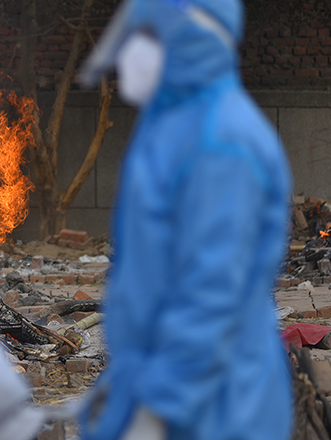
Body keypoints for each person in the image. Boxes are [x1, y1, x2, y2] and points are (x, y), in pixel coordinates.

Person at [76, 0, 293, 439]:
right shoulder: (176, 125)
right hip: (171, 387)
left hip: (214, 408)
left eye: (148, 36)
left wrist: (158, 408)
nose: (130, 55)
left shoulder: (221, 142)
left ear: (189, 38)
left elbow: (215, 290)